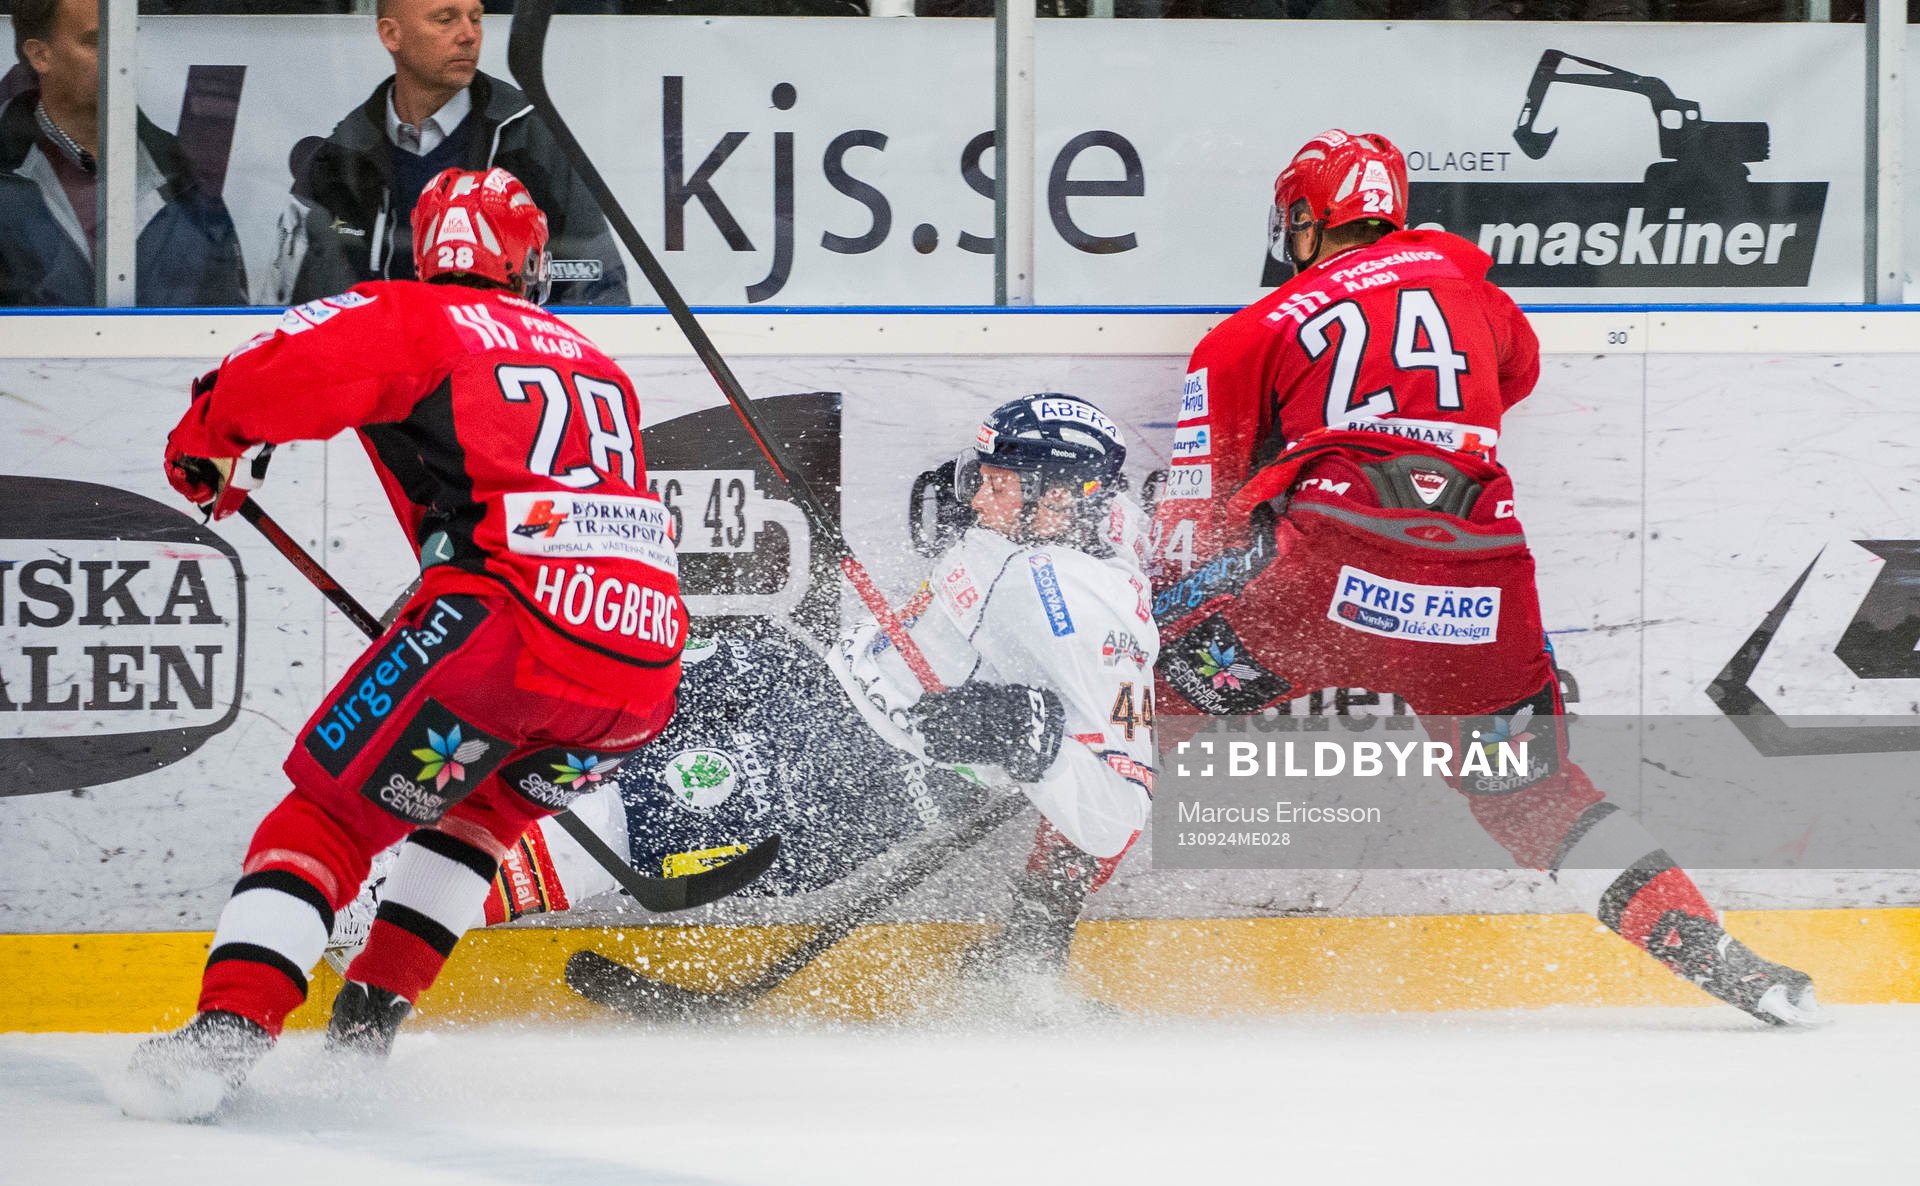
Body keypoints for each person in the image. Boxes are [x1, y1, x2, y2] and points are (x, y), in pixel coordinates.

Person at [1151, 129, 1818, 1026]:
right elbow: (1512, 373)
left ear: (1306, 218)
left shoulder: (1251, 333)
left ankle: (1031, 920)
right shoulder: (1474, 292)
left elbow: (1198, 523)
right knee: (1532, 793)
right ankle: (1714, 951)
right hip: (1480, 606)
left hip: (1323, 592)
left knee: (1142, 706)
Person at [119, 166, 683, 1121]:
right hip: (638, 675)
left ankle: (228, 1032)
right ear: (528, 259)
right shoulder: (596, 360)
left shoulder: (416, 314)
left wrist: (207, 435)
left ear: (427, 251)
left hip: (505, 637)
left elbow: (280, 370)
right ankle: (365, 1033)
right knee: (477, 818)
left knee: (331, 818)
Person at [329, 395, 1162, 1003]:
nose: (978, 498)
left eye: (1001, 484)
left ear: (1067, 498)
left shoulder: (1089, 609)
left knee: (636, 813)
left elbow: (1118, 808)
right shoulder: (1026, 528)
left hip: (852, 785)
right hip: (801, 684)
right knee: (592, 709)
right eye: (982, 477)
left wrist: (1032, 737)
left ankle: (389, 914)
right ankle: (397, 834)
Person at [268, 0, 629, 307]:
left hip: (501, 374)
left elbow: (599, 290)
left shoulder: (531, 140)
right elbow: (289, 316)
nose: (469, 35)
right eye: (445, 19)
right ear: (391, 35)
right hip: (384, 383)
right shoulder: (337, 161)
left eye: (476, 18)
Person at [0, 0, 248, 307]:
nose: (119, 55)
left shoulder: (180, 174)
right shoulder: (8, 175)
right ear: (40, 55)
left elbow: (227, 321)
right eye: (95, 41)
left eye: (125, 36)